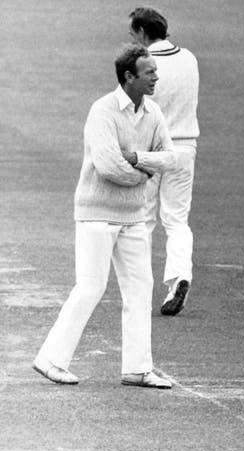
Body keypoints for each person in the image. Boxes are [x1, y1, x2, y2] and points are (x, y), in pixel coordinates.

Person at [32, 44, 177, 389]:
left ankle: (137, 368)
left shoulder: (153, 113)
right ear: (129, 77)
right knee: (91, 287)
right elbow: (109, 166)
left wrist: (138, 158)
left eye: (155, 71)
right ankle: (50, 359)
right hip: (96, 214)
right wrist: (145, 171)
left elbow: (171, 158)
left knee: (141, 289)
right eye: (149, 72)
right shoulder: (103, 111)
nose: (156, 76)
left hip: (133, 217)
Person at [129, 6, 200, 316]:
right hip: (185, 147)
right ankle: (179, 277)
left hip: (154, 149)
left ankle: (139, 286)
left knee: (143, 220)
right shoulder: (190, 58)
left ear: (143, 33)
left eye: (133, 34)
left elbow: (138, 108)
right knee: (177, 220)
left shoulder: (144, 65)